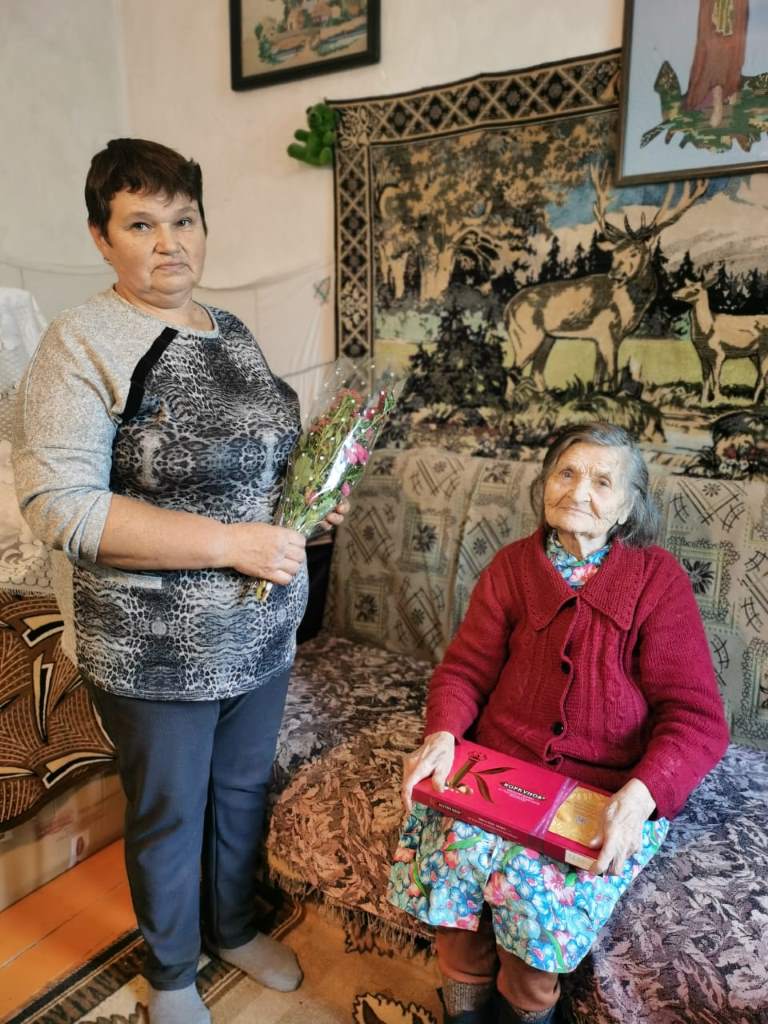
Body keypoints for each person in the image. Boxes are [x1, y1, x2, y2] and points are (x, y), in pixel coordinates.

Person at [13, 138, 347, 1024]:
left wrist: (306, 502)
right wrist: (234, 544)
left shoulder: (229, 331)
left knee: (239, 793)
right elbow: (61, 507)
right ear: (100, 237)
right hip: (153, 648)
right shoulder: (80, 342)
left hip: (261, 631)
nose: (170, 243)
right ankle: (169, 975)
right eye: (141, 224)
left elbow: (261, 457)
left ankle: (231, 927)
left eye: (184, 219)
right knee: (169, 811)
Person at [388, 422, 729, 1024]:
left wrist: (640, 796)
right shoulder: (512, 568)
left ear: (628, 508)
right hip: (497, 770)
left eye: (602, 481)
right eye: (566, 473)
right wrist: (442, 734)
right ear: (545, 484)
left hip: (602, 788)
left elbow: (695, 718)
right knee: (455, 907)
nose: (578, 490)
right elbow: (464, 671)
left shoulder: (657, 581)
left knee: (532, 925)